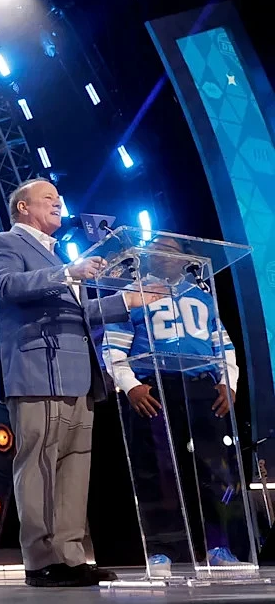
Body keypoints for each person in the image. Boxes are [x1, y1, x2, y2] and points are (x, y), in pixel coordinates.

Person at [0, 178, 145, 588]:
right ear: (23, 207)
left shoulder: (57, 255)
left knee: (74, 469)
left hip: (76, 374)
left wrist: (128, 301)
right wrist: (66, 272)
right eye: (48, 198)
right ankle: (40, 561)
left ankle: (71, 557)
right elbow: (6, 286)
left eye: (59, 198)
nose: (58, 203)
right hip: (37, 371)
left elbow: (79, 313)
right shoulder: (5, 244)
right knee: (38, 465)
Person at [102, 234, 249, 576]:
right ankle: (161, 551)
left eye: (169, 249)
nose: (162, 254)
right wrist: (131, 386)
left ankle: (218, 547)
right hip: (155, 389)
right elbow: (113, 347)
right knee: (157, 471)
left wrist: (228, 383)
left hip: (200, 389)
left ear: (185, 258)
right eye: (155, 249)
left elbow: (224, 346)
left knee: (215, 470)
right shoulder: (132, 296)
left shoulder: (202, 296)